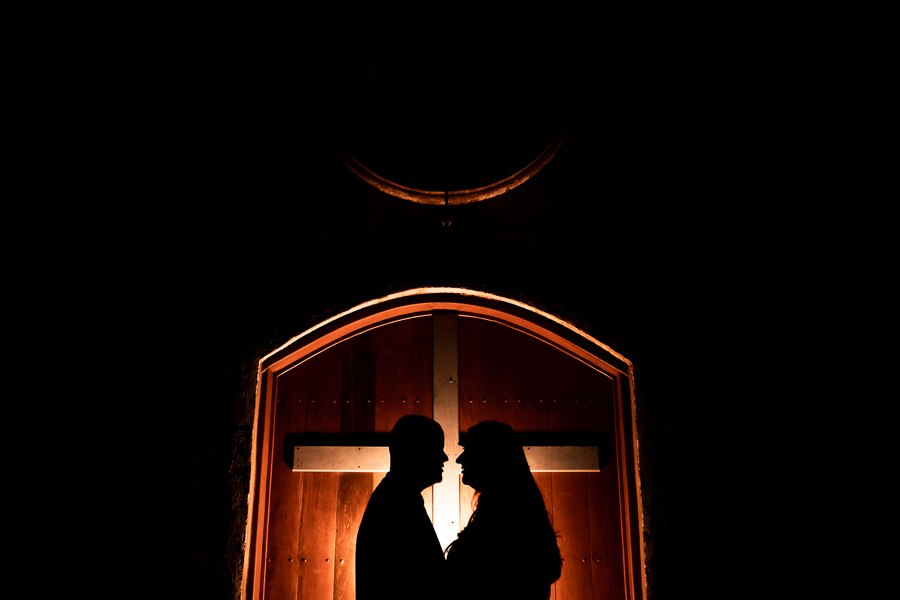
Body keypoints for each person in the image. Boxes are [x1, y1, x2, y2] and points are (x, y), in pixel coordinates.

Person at [446, 421, 562, 600]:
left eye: (470, 450)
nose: (459, 459)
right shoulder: (513, 513)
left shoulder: (510, 522)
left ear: (491, 457)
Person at [356, 414, 449, 600]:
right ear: (412, 447)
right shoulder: (394, 506)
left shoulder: (398, 498)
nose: (445, 457)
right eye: (436, 448)